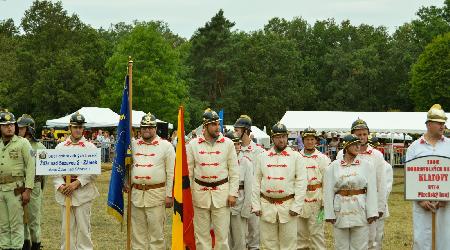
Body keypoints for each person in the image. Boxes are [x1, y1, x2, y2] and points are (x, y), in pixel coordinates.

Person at [187, 108, 239, 250]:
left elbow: (234, 171)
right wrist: (190, 194)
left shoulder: (228, 143)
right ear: (205, 126)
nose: (218, 127)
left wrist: (233, 193)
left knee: (222, 237)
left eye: (218, 123)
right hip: (200, 194)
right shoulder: (193, 145)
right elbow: (189, 171)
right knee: (201, 236)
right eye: (214, 124)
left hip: (222, 195)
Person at [252, 122, 306, 250]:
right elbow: (256, 181)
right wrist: (256, 204)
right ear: (272, 138)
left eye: (283, 136)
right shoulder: (262, 157)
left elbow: (302, 182)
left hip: (288, 206)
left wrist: (297, 206)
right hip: (266, 206)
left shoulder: (296, 157)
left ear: (287, 137)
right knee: (267, 244)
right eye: (278, 137)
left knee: (289, 244)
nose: (281, 140)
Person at [125, 112, 175, 249]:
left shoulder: (166, 146)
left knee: (156, 236)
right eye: (144, 127)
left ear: (155, 128)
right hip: (136, 196)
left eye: (150, 127)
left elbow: (171, 173)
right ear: (140, 129)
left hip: (157, 195)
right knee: (137, 236)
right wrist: (126, 181)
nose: (147, 130)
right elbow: (126, 166)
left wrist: (169, 195)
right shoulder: (133, 145)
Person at [337, 118, 387, 250]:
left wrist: (380, 207)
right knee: (345, 240)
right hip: (346, 204)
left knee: (371, 240)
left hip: (369, 203)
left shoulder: (376, 155)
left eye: (365, 134)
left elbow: (381, 183)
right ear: (352, 134)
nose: (362, 137)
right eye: (359, 134)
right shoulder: (340, 155)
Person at [406, 104, 450, 250]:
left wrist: (446, 196)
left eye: (444, 123)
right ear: (429, 124)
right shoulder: (414, 147)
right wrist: (420, 199)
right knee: (422, 239)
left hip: (445, 204)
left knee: (445, 238)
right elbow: (410, 175)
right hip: (422, 204)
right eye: (439, 123)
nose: (442, 126)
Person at [53, 112, 99, 250]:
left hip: (83, 193)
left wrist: (77, 182)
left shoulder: (90, 148)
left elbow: (93, 171)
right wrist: (60, 186)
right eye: (75, 127)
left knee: (84, 230)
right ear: (70, 128)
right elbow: (53, 170)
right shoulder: (60, 147)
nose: (78, 129)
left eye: (80, 127)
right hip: (65, 193)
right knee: (66, 229)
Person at [324, 134, 378, 250]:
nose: (358, 147)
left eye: (359, 144)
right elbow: (328, 191)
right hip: (340, 209)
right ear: (346, 146)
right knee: (340, 246)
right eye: (354, 144)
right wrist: (329, 213)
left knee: (360, 246)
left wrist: (372, 212)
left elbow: (372, 190)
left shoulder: (367, 166)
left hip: (360, 209)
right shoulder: (333, 167)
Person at [0, 110, 35, 250]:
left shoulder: (23, 143)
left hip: (16, 190)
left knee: (16, 225)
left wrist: (28, 189)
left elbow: (31, 167)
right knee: (2, 225)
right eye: (5, 125)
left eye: (11, 124)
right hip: (1, 190)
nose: (9, 127)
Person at [233, 115, 265, 250]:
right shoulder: (232, 149)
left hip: (253, 196)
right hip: (239, 196)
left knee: (254, 232)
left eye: (237, 130)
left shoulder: (259, 151)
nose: (235, 133)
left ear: (246, 131)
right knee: (237, 233)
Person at [297, 127, 331, 250]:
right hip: (300, 200)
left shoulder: (323, 159)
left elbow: (327, 182)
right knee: (300, 234)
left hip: (317, 200)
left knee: (317, 233)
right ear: (303, 140)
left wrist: (325, 202)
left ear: (316, 141)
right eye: (307, 139)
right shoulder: (297, 157)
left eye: (312, 139)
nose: (310, 142)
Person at [17, 114, 46, 250]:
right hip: (18, 187)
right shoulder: (16, 144)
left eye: (22, 128)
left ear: (29, 129)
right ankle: (25, 245)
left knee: (34, 220)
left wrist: (39, 188)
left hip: (34, 186)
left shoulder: (39, 147)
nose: (18, 130)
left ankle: (36, 244)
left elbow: (44, 173)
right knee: (21, 220)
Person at [225, 131, 253, 250]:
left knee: (239, 239)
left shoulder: (246, 162)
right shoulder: (223, 160)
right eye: (233, 144)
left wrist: (246, 209)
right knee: (225, 239)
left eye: (237, 144)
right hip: (223, 204)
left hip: (239, 205)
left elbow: (249, 187)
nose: (235, 147)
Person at [368, 136, 393, 250]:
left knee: (377, 238)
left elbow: (386, 188)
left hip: (378, 206)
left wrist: (379, 206)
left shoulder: (386, 165)